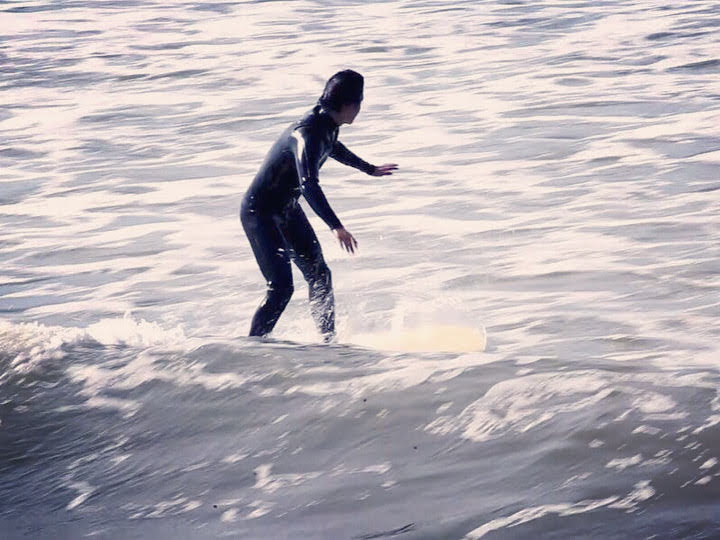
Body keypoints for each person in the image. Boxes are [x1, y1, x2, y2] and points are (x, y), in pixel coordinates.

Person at [241, 69, 398, 341]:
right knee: (281, 287)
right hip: (261, 212)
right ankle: (253, 344)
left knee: (319, 275)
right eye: (360, 103)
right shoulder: (307, 133)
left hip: (286, 208)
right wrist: (336, 227)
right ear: (349, 105)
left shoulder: (326, 124)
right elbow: (309, 185)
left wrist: (369, 169)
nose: (360, 109)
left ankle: (327, 341)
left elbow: (332, 146)